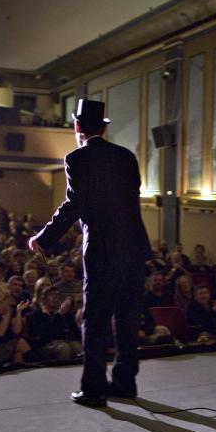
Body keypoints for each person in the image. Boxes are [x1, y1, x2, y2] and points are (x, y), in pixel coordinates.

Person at [30, 98, 151, 407]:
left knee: (95, 319)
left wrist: (45, 238)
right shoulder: (126, 157)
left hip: (103, 249)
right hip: (135, 246)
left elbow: (76, 204)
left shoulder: (77, 158)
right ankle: (125, 384)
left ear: (77, 127)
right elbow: (130, 197)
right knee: (127, 317)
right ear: (103, 127)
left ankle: (94, 388)